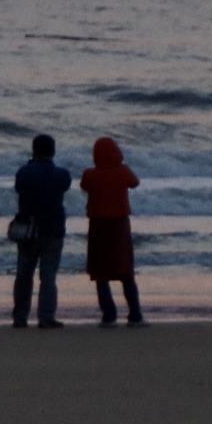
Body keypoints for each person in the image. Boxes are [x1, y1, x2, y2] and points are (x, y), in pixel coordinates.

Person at [80, 136, 145, 327]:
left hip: (98, 226)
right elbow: (135, 182)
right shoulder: (122, 171)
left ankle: (108, 315)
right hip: (119, 226)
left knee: (101, 273)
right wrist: (120, 163)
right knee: (126, 272)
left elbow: (84, 187)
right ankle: (135, 315)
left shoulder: (90, 174)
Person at [12, 134, 73, 330]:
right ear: (53, 152)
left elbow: (20, 188)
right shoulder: (62, 175)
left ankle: (20, 317)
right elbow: (63, 186)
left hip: (29, 229)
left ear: (34, 150)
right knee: (48, 276)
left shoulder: (24, 172)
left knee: (24, 274)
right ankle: (46, 317)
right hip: (53, 228)